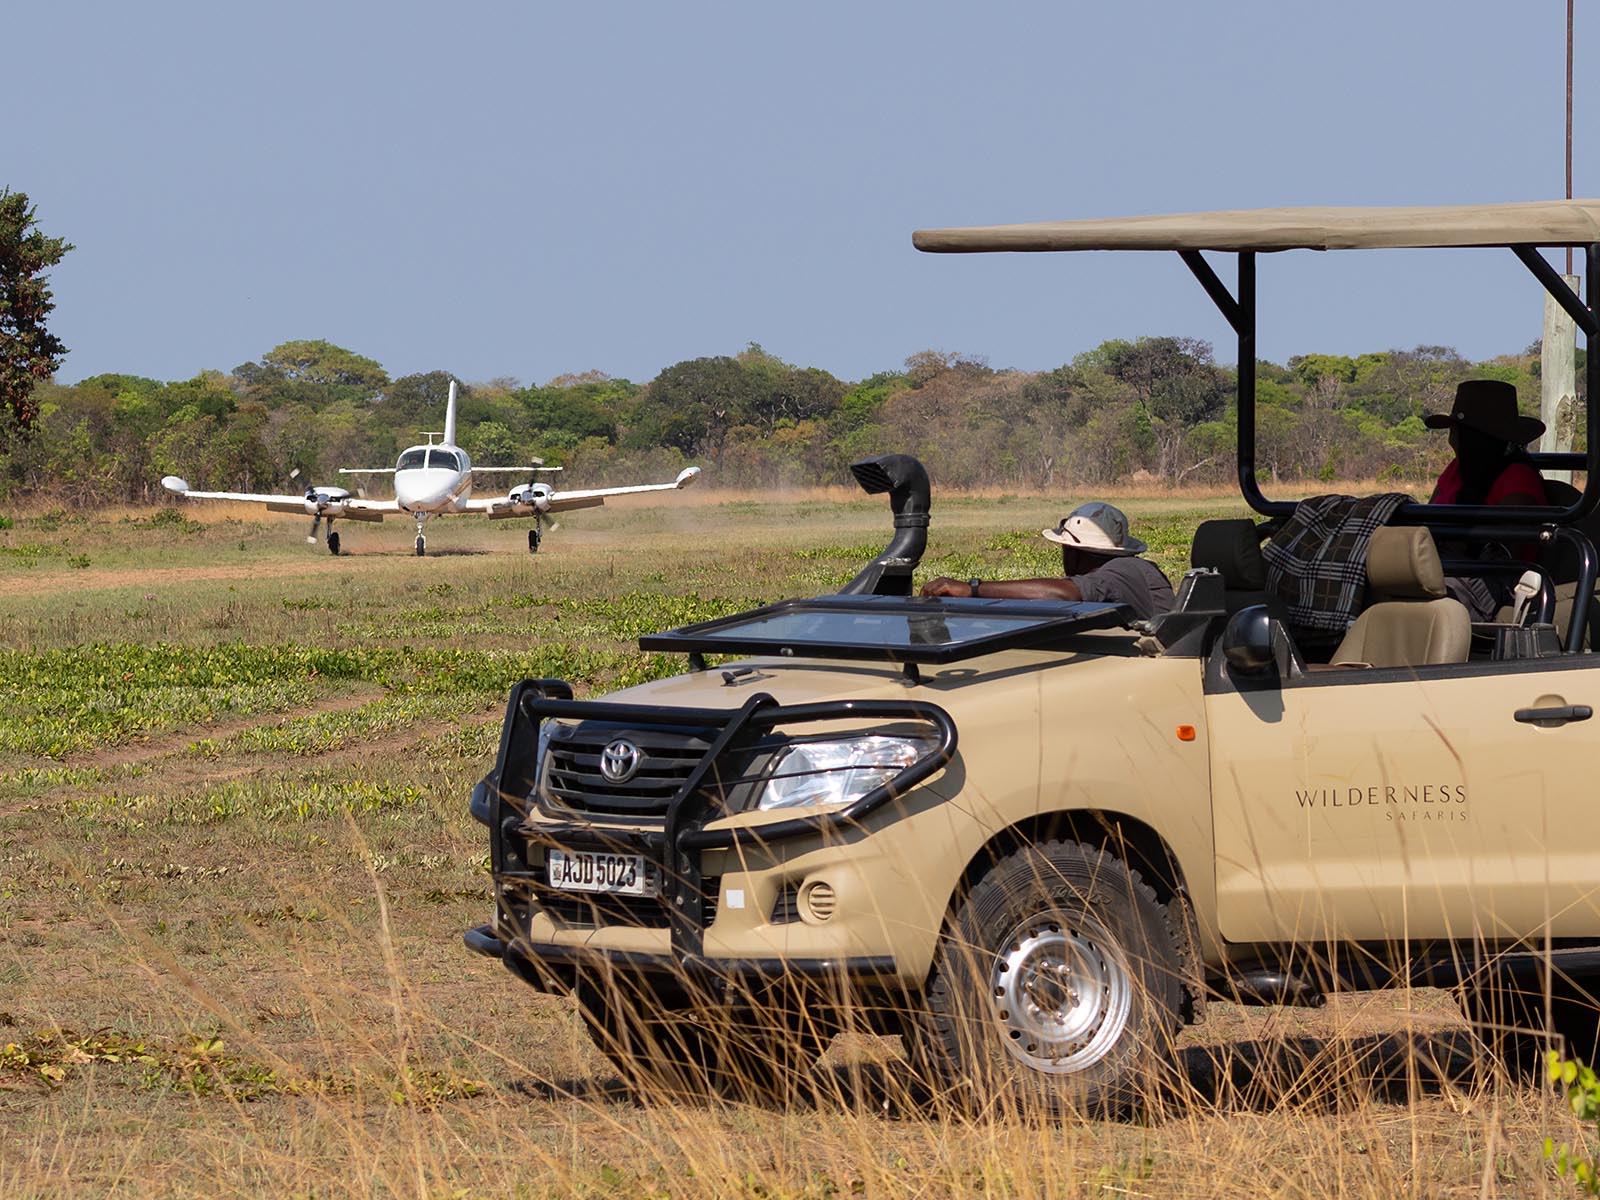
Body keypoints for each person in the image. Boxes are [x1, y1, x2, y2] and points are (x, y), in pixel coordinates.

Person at [921, 501, 1175, 620]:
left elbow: (1062, 594)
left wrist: (973, 589)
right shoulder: (1131, 569)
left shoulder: (1121, 571)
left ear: (1073, 552)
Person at [1424, 379, 1548, 620]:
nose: (1454, 439)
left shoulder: (1517, 477)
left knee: (1435, 591)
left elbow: (1499, 544)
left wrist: (1449, 540)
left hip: (1496, 579)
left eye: (1462, 432)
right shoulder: (1457, 471)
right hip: (1448, 564)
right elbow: (1428, 518)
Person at [1426, 379, 1547, 508]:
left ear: (1471, 439)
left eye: (1455, 431)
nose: (1451, 440)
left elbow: (1510, 525)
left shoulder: (1517, 478)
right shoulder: (1457, 469)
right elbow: (1428, 514)